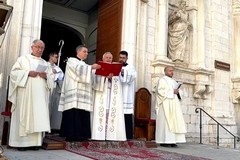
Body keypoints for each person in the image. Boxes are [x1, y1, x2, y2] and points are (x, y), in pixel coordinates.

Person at [8, 39, 51, 151]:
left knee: (37, 117)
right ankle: (21, 144)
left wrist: (46, 77)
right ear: (32, 47)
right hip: (25, 94)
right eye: (37, 47)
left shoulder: (45, 63)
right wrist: (27, 73)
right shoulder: (23, 59)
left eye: (42, 48)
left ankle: (35, 143)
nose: (40, 50)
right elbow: (13, 73)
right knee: (25, 116)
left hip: (40, 97)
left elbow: (51, 80)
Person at [58, 45, 101, 142]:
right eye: (85, 51)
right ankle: (71, 135)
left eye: (87, 52)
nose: (87, 53)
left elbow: (90, 75)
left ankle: (82, 135)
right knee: (73, 113)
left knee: (82, 113)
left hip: (83, 94)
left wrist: (98, 71)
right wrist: (91, 67)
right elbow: (78, 70)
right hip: (74, 92)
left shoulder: (85, 65)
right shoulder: (71, 61)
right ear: (78, 52)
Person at [91, 52, 126, 141]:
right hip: (101, 95)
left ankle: (110, 135)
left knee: (111, 113)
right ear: (103, 58)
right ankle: (99, 135)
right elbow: (94, 82)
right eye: (107, 57)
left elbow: (119, 82)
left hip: (111, 95)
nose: (109, 59)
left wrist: (115, 76)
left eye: (110, 58)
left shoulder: (115, 68)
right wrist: (105, 77)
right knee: (102, 112)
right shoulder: (97, 68)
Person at [155, 66, 186, 147]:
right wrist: (172, 91)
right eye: (170, 71)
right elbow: (160, 91)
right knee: (166, 123)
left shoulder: (174, 81)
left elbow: (178, 92)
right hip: (165, 105)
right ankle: (164, 141)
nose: (172, 72)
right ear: (165, 71)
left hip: (174, 105)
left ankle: (173, 141)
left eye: (172, 71)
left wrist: (178, 92)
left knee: (174, 121)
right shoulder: (162, 80)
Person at [118, 51, 137, 139]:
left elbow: (130, 78)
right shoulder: (115, 66)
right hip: (117, 94)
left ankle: (128, 135)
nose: (121, 59)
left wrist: (122, 72)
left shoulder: (130, 68)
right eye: (120, 57)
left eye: (123, 58)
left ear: (127, 58)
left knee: (126, 114)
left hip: (126, 94)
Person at [47, 52, 64, 132]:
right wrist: (51, 72)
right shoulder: (45, 65)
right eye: (55, 57)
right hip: (47, 89)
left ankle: (53, 127)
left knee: (54, 108)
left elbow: (61, 77)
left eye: (57, 57)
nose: (57, 58)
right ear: (50, 57)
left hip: (55, 89)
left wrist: (57, 73)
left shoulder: (58, 68)